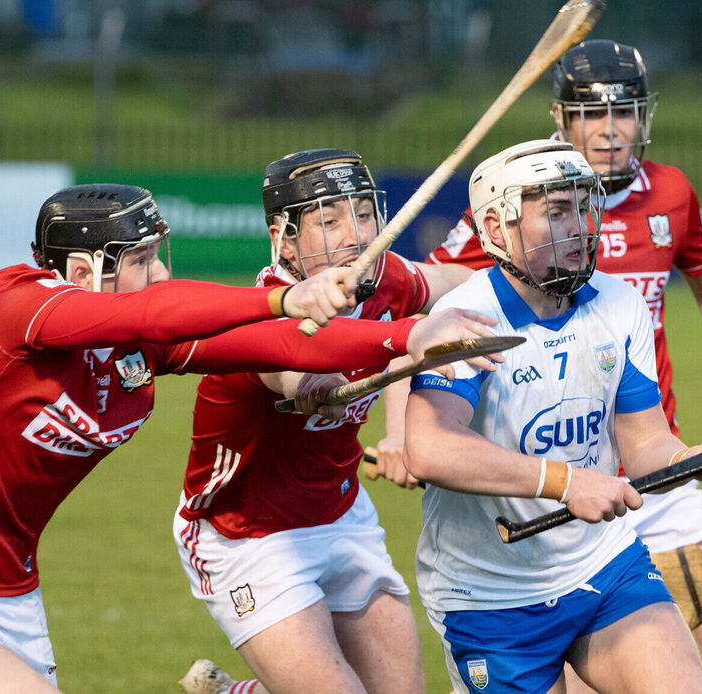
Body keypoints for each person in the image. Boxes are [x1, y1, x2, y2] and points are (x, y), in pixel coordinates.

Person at [0, 183, 494, 694]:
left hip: (10, 588)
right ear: (80, 269)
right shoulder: (17, 307)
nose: (159, 273)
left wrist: (407, 338)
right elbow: (164, 309)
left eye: (160, 254)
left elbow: (267, 345)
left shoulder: (135, 352)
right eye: (139, 260)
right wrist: (279, 298)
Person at [383, 39, 702, 693]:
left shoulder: (624, 289)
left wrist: (701, 453)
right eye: (559, 214)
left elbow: (649, 440)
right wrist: (561, 480)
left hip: (620, 510)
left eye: (585, 210)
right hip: (499, 570)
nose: (582, 227)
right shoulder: (475, 301)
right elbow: (430, 425)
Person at [172, 149, 486, 694]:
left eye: (364, 213)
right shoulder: (262, 310)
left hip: (340, 513)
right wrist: (318, 389)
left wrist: (507, 279)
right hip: (243, 533)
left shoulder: (386, 276)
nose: (356, 234)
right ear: (284, 237)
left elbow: (451, 283)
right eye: (330, 220)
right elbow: (292, 370)